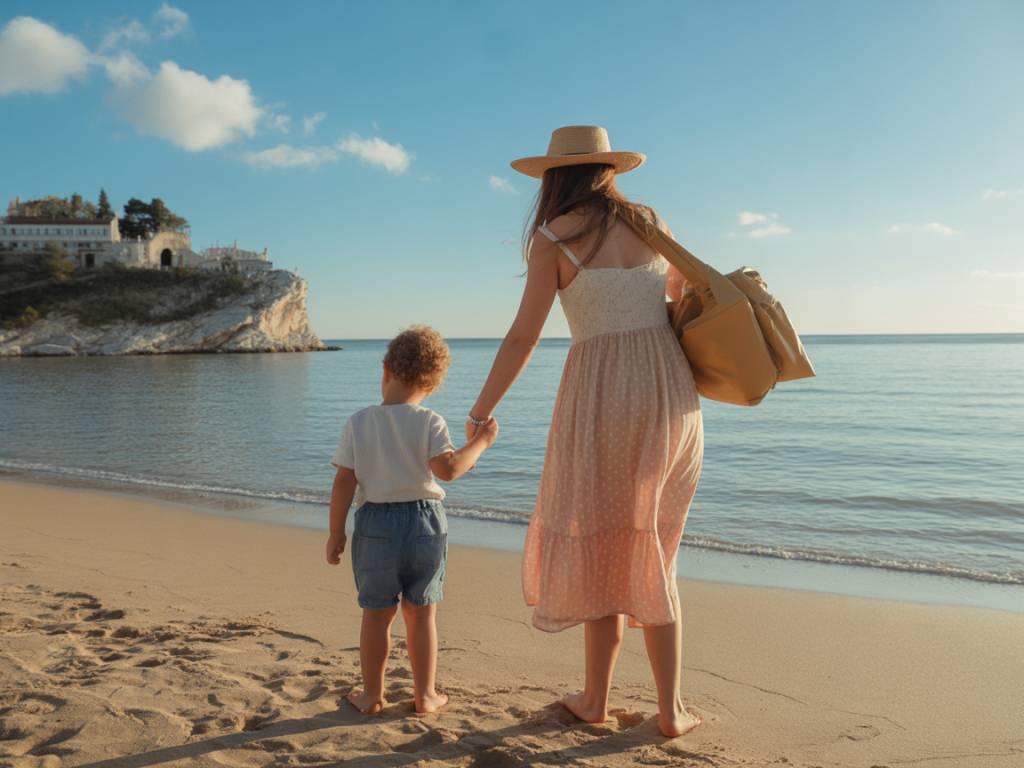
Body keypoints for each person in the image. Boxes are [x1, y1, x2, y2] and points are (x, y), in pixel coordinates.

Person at [465, 126, 703, 737]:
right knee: (652, 544)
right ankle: (671, 710)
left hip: (600, 394)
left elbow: (524, 335)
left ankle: (597, 699)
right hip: (670, 391)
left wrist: (481, 408)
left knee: (604, 544)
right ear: (607, 169)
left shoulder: (553, 239)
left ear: (555, 176)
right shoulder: (649, 221)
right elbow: (684, 290)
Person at [327, 326, 499, 715]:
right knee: (422, 615)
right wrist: (481, 443)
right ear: (433, 383)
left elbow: (343, 481)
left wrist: (336, 532)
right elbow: (449, 469)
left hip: (374, 525)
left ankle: (372, 696)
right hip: (425, 523)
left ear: (385, 369)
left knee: (377, 614)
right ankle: (425, 695)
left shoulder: (359, 422)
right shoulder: (430, 421)